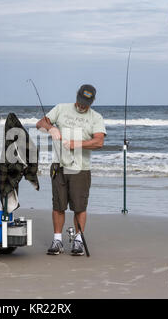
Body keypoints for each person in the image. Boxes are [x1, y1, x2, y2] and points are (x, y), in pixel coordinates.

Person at [36, 84, 106, 256]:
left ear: (92, 101)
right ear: (77, 96)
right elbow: (40, 123)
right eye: (80, 101)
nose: (82, 105)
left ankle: (78, 241)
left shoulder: (96, 117)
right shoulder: (61, 109)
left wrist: (76, 144)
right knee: (58, 205)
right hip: (58, 166)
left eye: (86, 103)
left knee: (79, 207)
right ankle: (57, 240)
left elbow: (99, 142)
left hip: (80, 169)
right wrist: (51, 128)